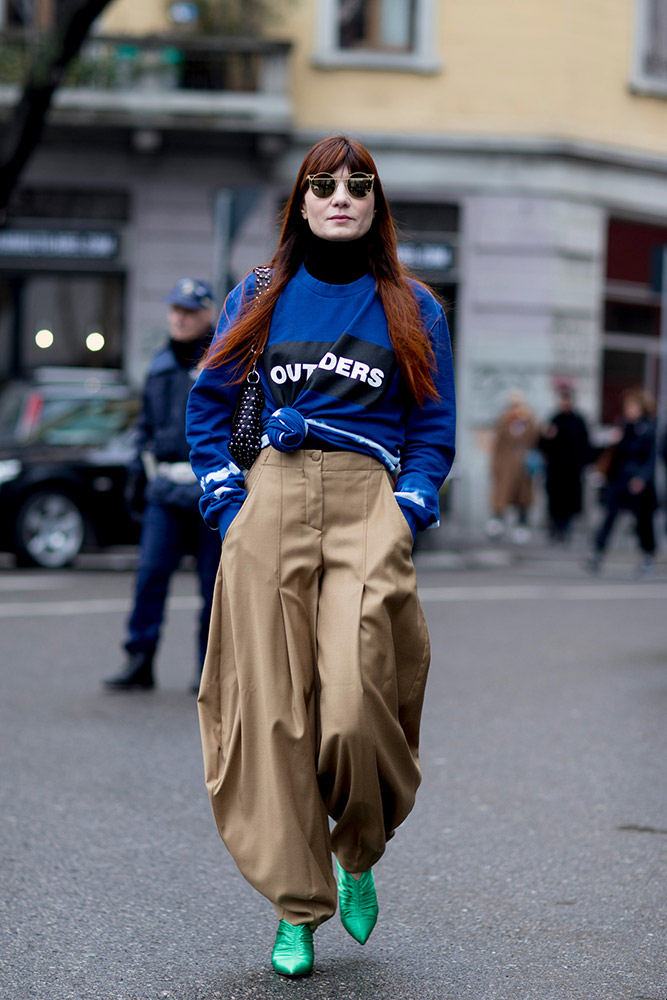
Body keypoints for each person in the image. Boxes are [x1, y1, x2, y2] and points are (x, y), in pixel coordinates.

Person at [186, 135, 456, 977]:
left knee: (354, 697)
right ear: (300, 202)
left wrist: (411, 501)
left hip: (369, 504)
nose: (341, 197)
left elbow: (432, 424)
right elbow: (209, 403)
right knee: (271, 713)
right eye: (324, 185)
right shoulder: (260, 295)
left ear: (376, 204)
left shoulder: (413, 305)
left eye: (358, 185)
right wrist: (228, 498)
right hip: (268, 498)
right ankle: (294, 908)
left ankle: (358, 850)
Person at [104, 279, 221, 693]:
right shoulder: (159, 365)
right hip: (166, 489)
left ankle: (209, 669)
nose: (179, 318)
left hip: (211, 490)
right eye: (175, 310)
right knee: (150, 574)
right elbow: (146, 426)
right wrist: (138, 473)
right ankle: (140, 659)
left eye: (189, 311)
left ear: (208, 314)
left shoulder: (223, 359)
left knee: (214, 585)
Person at [588, 388, 657, 576]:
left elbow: (651, 458)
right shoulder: (622, 426)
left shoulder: (649, 427)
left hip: (637, 483)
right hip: (618, 479)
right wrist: (611, 439)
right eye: (628, 407)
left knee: (643, 522)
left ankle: (648, 556)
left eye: (633, 407)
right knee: (609, 517)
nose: (629, 410)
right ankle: (597, 553)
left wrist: (642, 478)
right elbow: (607, 452)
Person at [539, 386, 592, 542]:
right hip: (555, 469)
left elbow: (585, 444)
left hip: (572, 470)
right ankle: (555, 528)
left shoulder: (578, 420)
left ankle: (565, 529)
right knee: (555, 501)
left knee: (570, 502)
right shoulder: (553, 420)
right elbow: (542, 443)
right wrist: (548, 436)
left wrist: (584, 464)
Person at [486, 389, 539, 543]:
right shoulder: (504, 422)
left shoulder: (528, 422)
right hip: (506, 467)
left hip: (523, 468)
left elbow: (535, 437)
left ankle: (522, 526)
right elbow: (497, 445)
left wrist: (528, 419)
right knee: (501, 497)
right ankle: (497, 524)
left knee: (523, 498)